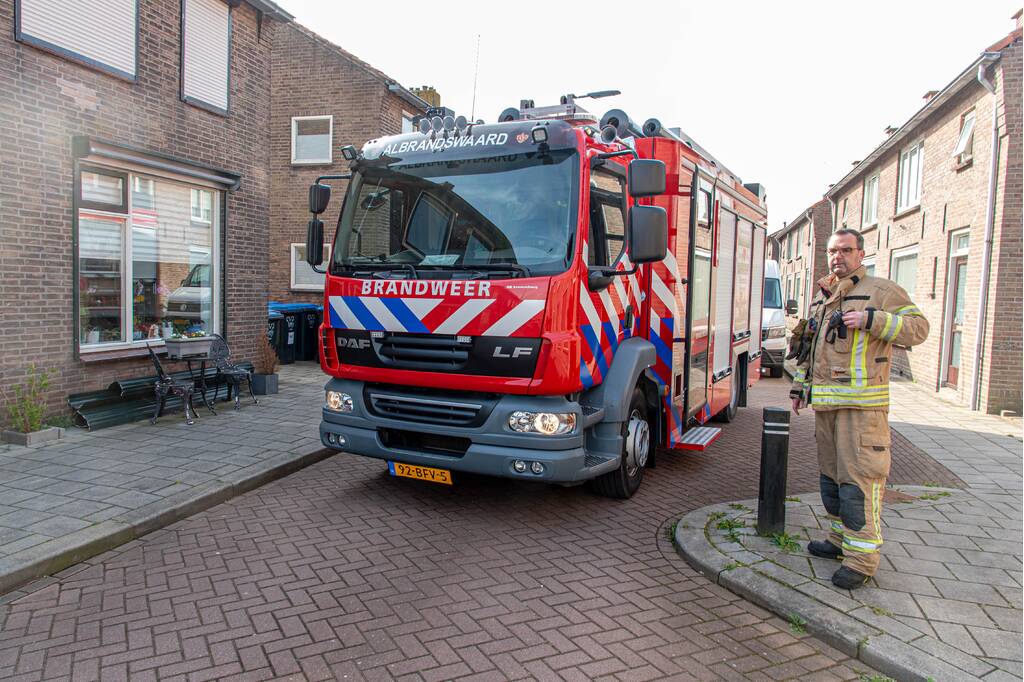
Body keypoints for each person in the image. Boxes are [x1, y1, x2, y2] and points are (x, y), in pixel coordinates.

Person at [790, 229, 929, 589]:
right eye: (832, 251)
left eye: (846, 250)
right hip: (828, 409)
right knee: (833, 483)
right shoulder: (827, 297)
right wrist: (799, 388)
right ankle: (839, 542)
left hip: (862, 413)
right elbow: (814, 350)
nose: (838, 257)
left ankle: (862, 561)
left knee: (859, 485)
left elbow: (919, 328)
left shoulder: (881, 291)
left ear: (861, 254)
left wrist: (873, 320)